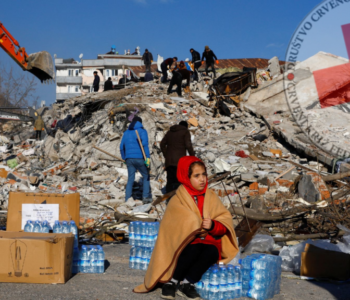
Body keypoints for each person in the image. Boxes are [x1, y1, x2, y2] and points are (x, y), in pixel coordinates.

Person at [134, 156, 239, 299]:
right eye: (196, 176)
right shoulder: (178, 200)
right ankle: (172, 281)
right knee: (192, 249)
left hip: (207, 241)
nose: (202, 179)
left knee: (212, 251)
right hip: (186, 243)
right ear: (186, 177)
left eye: (204, 175)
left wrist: (213, 225)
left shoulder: (211, 196)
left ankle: (187, 283)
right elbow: (172, 230)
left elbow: (224, 221)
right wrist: (194, 225)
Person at [120, 116, 152, 203]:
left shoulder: (126, 132)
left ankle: (127, 198)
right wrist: (147, 158)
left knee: (131, 178)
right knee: (146, 176)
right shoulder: (142, 131)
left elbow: (121, 147)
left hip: (129, 159)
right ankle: (145, 197)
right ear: (140, 123)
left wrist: (124, 158)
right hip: (140, 158)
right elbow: (144, 144)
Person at [160, 121, 195, 193]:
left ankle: (169, 199)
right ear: (186, 126)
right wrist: (193, 157)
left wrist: (166, 155)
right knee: (179, 180)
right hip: (180, 161)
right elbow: (188, 145)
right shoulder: (185, 132)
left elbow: (162, 144)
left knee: (170, 180)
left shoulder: (170, 132)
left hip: (169, 161)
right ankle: (178, 198)